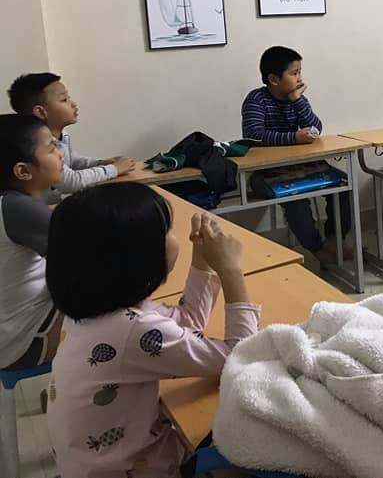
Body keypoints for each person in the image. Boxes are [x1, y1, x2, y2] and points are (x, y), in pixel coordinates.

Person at [45, 182, 260, 478]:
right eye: (168, 230)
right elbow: (241, 357)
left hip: (93, 465)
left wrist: (202, 257)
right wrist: (232, 271)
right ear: (136, 258)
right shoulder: (131, 331)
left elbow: (187, 323)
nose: (175, 235)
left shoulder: (96, 312)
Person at [241, 46, 352, 264]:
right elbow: (253, 135)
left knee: (343, 185)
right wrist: (293, 137)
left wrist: (297, 100)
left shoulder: (297, 99)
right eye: (294, 73)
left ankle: (335, 238)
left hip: (303, 166)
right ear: (274, 79)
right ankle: (316, 249)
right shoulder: (257, 99)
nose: (300, 78)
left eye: (300, 72)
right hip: (267, 172)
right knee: (295, 199)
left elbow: (316, 128)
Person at [0, 114, 64, 370]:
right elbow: (84, 259)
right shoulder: (19, 209)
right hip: (23, 347)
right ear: (23, 171)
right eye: (51, 147)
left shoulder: (9, 203)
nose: (60, 153)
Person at [8, 73, 136, 199]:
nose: (73, 104)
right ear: (41, 112)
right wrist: (113, 169)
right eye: (64, 100)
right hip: (40, 209)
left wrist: (99, 163)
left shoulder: (62, 135)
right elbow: (69, 181)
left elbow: (73, 161)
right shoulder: (40, 145)